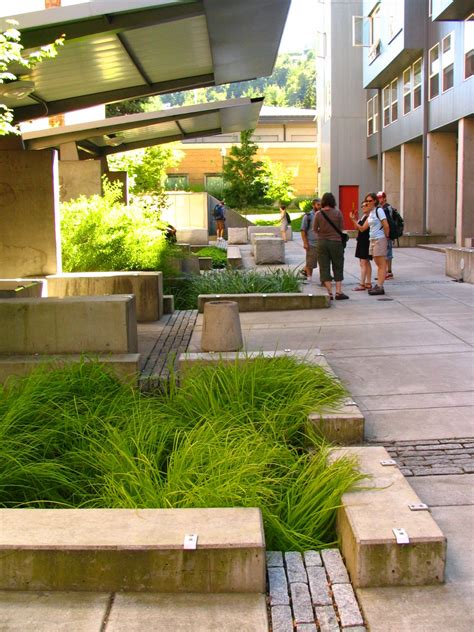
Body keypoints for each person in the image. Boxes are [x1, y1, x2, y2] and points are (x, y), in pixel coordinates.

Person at [351, 192, 389, 296]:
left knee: (381, 264)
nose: (367, 203)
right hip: (372, 240)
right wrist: (353, 219)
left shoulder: (379, 210)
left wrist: (386, 237)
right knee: (377, 262)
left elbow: (386, 225)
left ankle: (380, 286)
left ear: (375, 201)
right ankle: (378, 285)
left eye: (370, 201)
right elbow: (363, 228)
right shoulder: (371, 213)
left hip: (379, 239)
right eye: (366, 201)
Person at [313, 192, 349, 300]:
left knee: (324, 266)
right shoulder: (338, 213)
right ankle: (338, 292)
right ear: (333, 201)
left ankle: (329, 292)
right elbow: (342, 228)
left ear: (323, 201)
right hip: (336, 242)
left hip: (322, 243)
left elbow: (315, 229)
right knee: (338, 265)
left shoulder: (318, 214)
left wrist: (322, 232)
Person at [349, 201, 372, 291]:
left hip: (366, 241)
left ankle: (362, 284)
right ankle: (368, 282)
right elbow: (357, 228)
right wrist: (355, 219)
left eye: (365, 205)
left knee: (363, 262)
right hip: (362, 241)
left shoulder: (370, 216)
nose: (363, 207)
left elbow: (362, 229)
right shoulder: (364, 216)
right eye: (362, 206)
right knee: (365, 262)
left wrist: (353, 220)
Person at [300, 198, 320, 283]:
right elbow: (303, 230)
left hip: (322, 242)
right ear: (313, 205)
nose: (320, 206)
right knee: (310, 262)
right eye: (318, 205)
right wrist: (305, 243)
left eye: (321, 205)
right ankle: (309, 278)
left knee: (323, 263)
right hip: (312, 243)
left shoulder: (323, 214)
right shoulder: (308, 216)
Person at [377, 191, 394, 279]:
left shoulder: (386, 208)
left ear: (384, 198)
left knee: (388, 252)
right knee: (385, 252)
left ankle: (389, 271)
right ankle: (385, 271)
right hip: (384, 233)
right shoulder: (382, 208)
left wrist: (387, 233)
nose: (379, 199)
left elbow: (388, 222)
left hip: (387, 233)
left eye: (380, 197)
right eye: (378, 198)